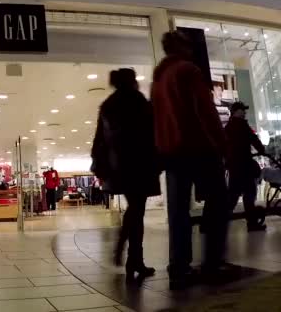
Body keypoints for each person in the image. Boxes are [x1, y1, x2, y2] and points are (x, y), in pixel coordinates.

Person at [151, 31, 229, 289]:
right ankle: (212, 263)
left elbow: (156, 120)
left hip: (172, 153)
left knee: (178, 212)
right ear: (181, 47)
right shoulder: (188, 71)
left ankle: (179, 266)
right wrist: (221, 144)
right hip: (199, 148)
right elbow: (205, 113)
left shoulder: (159, 78)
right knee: (218, 202)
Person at [91, 68, 160, 280]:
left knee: (136, 209)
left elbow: (99, 140)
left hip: (118, 167)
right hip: (139, 163)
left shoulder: (107, 106)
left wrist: (101, 166)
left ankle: (134, 259)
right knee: (136, 209)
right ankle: (128, 251)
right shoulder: (138, 101)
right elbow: (151, 131)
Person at [225, 101, 267, 232]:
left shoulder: (228, 126)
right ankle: (252, 223)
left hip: (234, 165)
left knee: (232, 195)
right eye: (243, 110)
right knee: (249, 194)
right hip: (244, 165)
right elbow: (253, 139)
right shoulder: (241, 125)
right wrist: (261, 149)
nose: (245, 112)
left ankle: (220, 221)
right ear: (236, 111)